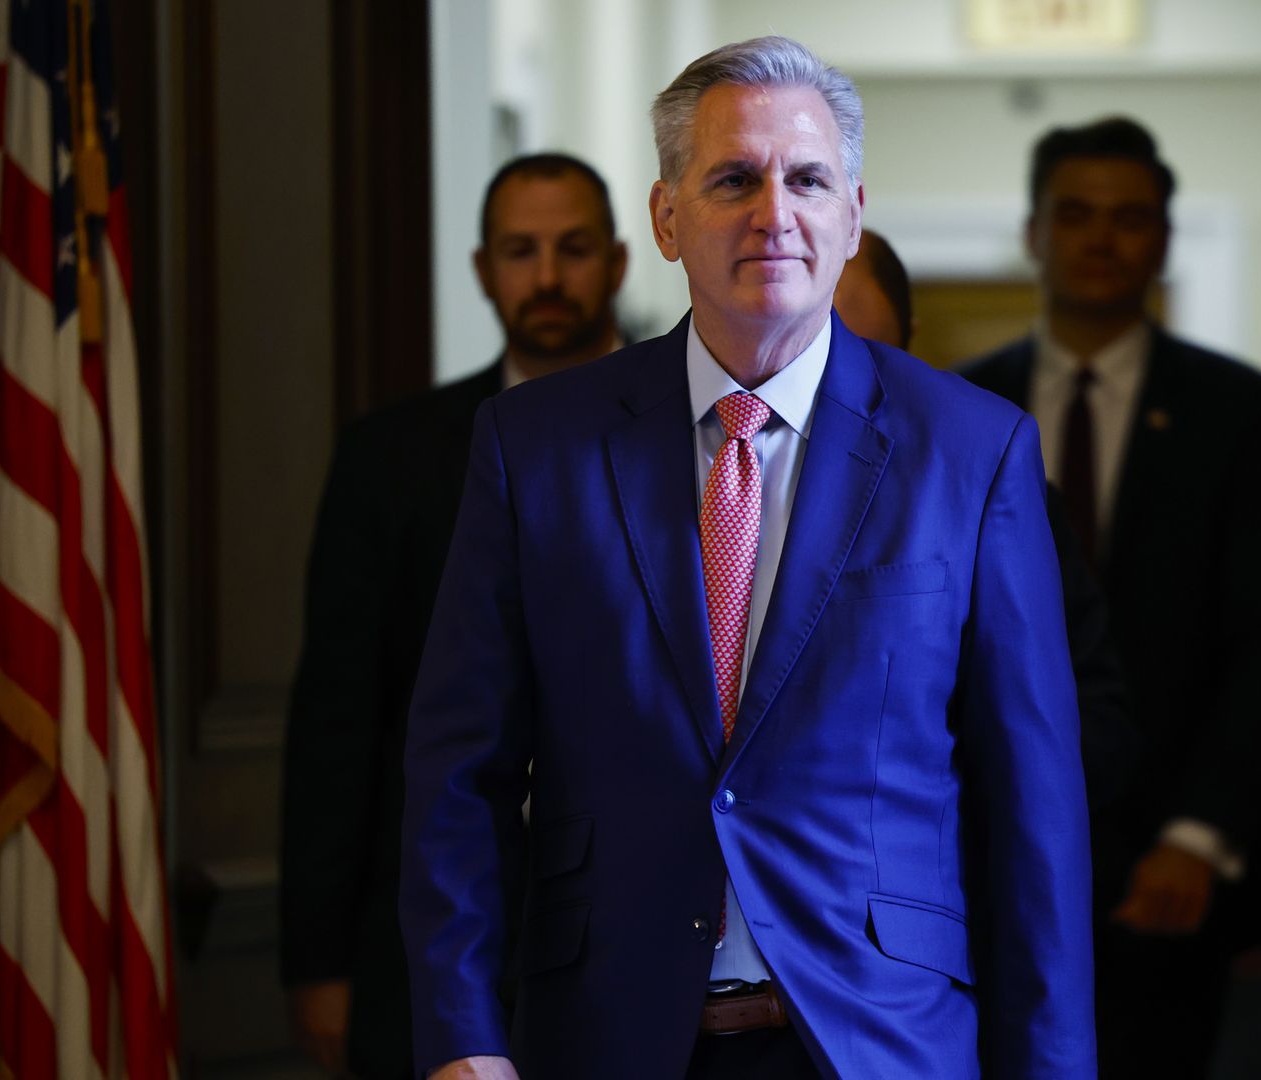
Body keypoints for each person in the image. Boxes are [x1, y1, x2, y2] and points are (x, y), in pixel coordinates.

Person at [399, 36, 1096, 1080]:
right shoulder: (535, 446)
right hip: (608, 1038)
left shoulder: (973, 450)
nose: (775, 213)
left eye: (808, 179)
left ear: (853, 215)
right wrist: (462, 1041)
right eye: (734, 179)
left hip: (882, 1044)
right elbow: (460, 772)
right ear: (667, 217)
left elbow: (1033, 809)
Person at [958, 117, 1261, 1078]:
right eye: (1075, 215)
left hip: (1173, 872)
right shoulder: (959, 405)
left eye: (1130, 218)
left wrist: (1199, 836)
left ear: (1162, 237)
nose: (1102, 238)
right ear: (1035, 233)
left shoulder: (1244, 413)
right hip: (987, 864)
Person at [280, 152, 627, 1078]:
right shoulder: (389, 458)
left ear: (622, 262)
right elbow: (339, 718)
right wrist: (317, 960)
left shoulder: (702, 431)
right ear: (483, 270)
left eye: (573, 248)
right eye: (520, 251)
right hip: (435, 937)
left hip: (648, 938)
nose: (547, 277)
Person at [835, 230, 1137, 809]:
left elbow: (1088, 726)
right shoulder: (716, 490)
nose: (841, 396)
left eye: (869, 361)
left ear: (909, 348)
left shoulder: (996, 496)